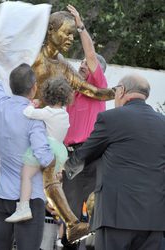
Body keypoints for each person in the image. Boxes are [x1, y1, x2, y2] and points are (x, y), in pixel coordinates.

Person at [65, 74, 165, 250]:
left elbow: (85, 154)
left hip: (116, 216)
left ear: (122, 91)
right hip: (154, 218)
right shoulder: (162, 123)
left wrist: (64, 168)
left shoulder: (111, 118)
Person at [0, 43, 55, 250]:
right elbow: (44, 157)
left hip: (3, 195)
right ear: (34, 88)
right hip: (30, 199)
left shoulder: (1, 105)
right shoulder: (34, 118)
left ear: (11, 86)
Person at [61, 5, 109, 249]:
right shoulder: (72, 93)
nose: (81, 66)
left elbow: (91, 56)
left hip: (89, 156)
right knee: (68, 214)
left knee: (91, 212)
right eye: (79, 63)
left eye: (85, 66)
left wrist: (80, 26)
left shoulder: (98, 89)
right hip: (70, 158)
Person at [5, 77, 73, 223]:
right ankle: (54, 206)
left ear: (47, 95)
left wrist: (32, 103)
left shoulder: (47, 112)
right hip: (59, 151)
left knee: (26, 175)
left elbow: (28, 113)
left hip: (46, 147)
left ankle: (23, 207)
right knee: (46, 182)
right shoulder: (65, 114)